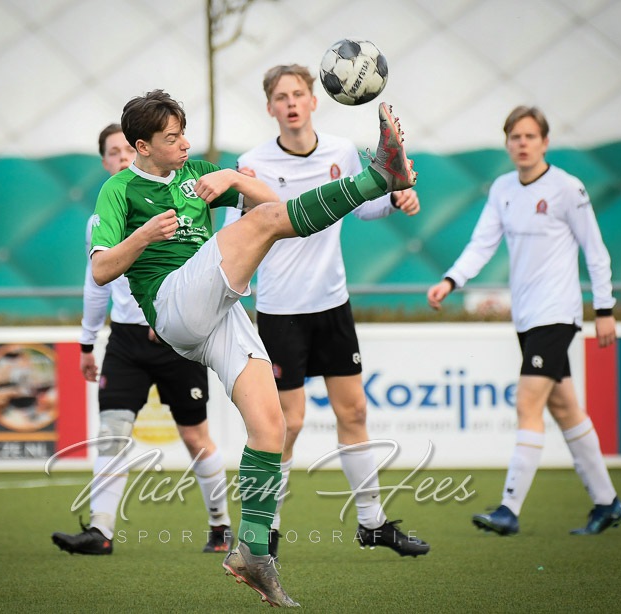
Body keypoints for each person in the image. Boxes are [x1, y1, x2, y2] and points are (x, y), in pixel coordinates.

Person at [90, 89, 416, 607]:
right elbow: (101, 269)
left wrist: (235, 179)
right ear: (141, 147)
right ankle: (379, 177)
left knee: (271, 428)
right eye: (172, 138)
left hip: (217, 309)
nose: (185, 144)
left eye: (183, 133)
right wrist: (143, 236)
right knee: (261, 228)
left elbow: (274, 208)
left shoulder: (196, 172)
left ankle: (253, 552)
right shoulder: (119, 189)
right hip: (173, 303)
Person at [223, 64, 430, 560]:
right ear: (270, 107)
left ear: (314, 100)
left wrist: (396, 195)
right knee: (288, 423)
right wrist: (246, 203)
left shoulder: (341, 151)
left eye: (298, 94)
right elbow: (232, 232)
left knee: (354, 412)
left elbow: (363, 205)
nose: (291, 103)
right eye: (281, 97)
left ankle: (372, 524)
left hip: (332, 305)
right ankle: (266, 532)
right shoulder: (251, 163)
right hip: (280, 312)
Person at [426, 105, 621, 537]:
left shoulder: (567, 188)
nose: (522, 144)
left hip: (558, 313)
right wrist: (451, 280)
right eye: (515, 137)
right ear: (507, 143)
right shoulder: (502, 188)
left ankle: (509, 508)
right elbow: (482, 244)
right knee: (564, 407)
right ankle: (607, 502)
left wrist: (604, 309)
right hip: (527, 316)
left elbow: (596, 251)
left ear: (545, 142)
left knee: (527, 404)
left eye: (530, 136)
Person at [51, 124, 234, 556]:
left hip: (177, 336)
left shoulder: (178, 196)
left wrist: (173, 316)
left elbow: (202, 255)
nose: (121, 158)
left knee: (195, 436)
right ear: (105, 162)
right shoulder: (105, 214)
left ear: (143, 151)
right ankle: (100, 531)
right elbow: (96, 281)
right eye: (113, 153)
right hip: (126, 341)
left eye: (126, 150)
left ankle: (221, 526)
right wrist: (86, 342)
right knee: (112, 433)